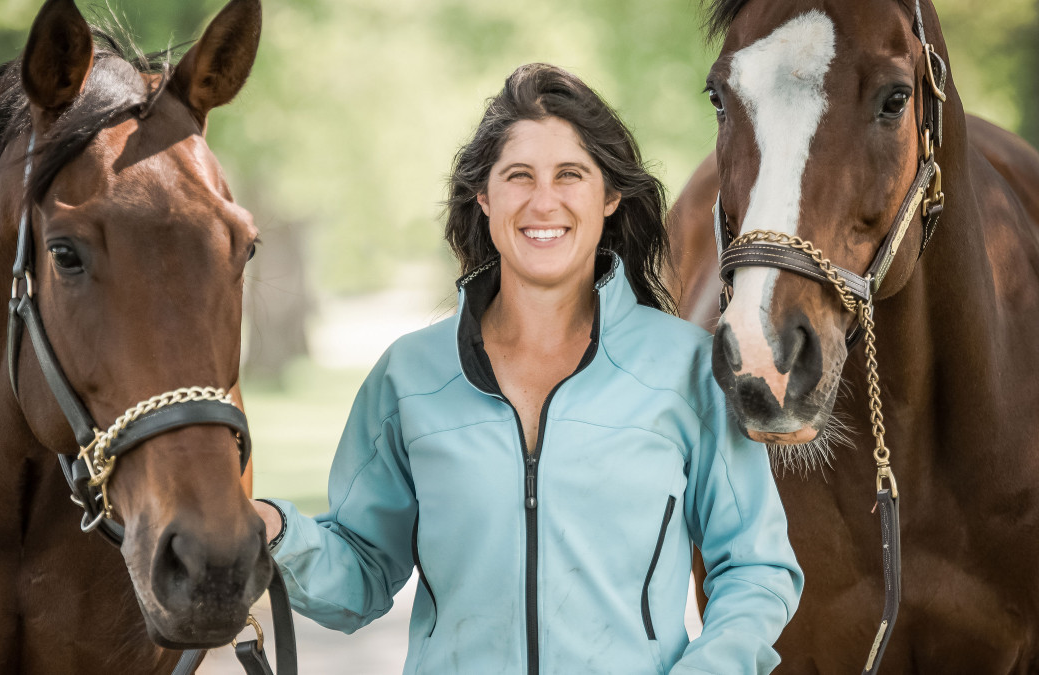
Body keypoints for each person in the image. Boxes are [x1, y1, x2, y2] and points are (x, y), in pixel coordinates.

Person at [251, 63, 803, 674]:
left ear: (610, 195)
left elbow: (757, 567)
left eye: (571, 175)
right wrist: (275, 530)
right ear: (483, 197)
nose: (544, 201)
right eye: (519, 177)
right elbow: (359, 576)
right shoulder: (409, 378)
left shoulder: (688, 369)